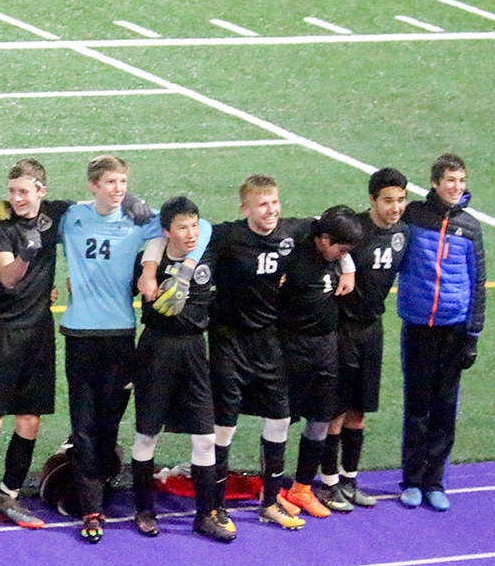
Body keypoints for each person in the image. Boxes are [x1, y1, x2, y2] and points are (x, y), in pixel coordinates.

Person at [58, 155, 198, 543]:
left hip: (121, 338)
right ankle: (92, 508)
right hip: (80, 337)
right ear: (93, 185)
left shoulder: (139, 220)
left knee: (108, 425)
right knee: (84, 427)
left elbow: (198, 229)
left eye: (123, 182)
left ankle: (100, 485)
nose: (118, 189)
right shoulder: (73, 218)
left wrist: (153, 269)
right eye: (110, 183)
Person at [202, 175, 354, 531]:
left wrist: (348, 266)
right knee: (224, 428)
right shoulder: (229, 236)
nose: (270, 211)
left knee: (280, 419)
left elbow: (329, 225)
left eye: (274, 203)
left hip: (268, 342)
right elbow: (195, 233)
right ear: (246, 209)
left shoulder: (292, 231)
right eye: (262, 205)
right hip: (229, 341)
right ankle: (215, 508)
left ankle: (270, 501)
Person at [130, 197, 233, 542]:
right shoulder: (148, 261)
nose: (190, 233)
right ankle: (144, 510)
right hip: (156, 349)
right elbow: (149, 247)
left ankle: (206, 515)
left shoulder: (206, 253)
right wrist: (147, 272)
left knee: (205, 437)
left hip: (194, 351)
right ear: (166, 231)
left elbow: (206, 229)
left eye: (193, 226)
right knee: (147, 434)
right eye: (181, 227)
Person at [0, 159, 66, 534]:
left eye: (23, 192)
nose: (16, 199)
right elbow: (8, 277)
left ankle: (10, 494)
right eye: (11, 192)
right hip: (1, 331)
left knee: (29, 418)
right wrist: (27, 253)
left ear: (41, 191)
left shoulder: (58, 215)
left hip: (38, 331)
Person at [397, 154, 485, 511]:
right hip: (418, 326)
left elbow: (477, 282)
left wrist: (473, 335)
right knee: (417, 405)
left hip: (453, 331)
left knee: (445, 407)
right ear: (435, 182)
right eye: (450, 180)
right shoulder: (415, 216)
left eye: (461, 180)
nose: (456, 187)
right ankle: (412, 479)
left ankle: (435, 480)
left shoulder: (470, 227)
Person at [323, 169, 409, 511]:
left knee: (360, 409)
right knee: (336, 410)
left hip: (373, 329)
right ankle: (328, 483)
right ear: (372, 200)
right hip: (343, 328)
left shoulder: (403, 232)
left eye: (401, 200)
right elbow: (322, 235)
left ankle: (349, 479)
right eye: (388, 200)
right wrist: (346, 265)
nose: (395, 207)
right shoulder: (354, 230)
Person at [277, 207, 364, 519]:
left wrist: (347, 263)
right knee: (280, 420)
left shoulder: (335, 253)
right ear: (324, 239)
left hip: (326, 347)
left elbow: (329, 224)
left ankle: (301, 488)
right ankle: (271, 493)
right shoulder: (293, 248)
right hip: (292, 347)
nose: (341, 255)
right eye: (340, 249)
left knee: (321, 419)